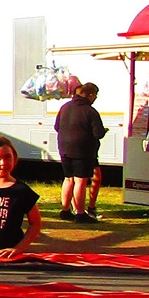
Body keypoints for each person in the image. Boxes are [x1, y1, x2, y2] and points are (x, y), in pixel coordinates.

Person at [54, 82, 106, 221]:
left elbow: (57, 126)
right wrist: (103, 131)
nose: (95, 98)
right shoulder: (90, 111)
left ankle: (65, 210)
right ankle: (80, 213)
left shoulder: (64, 107)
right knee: (81, 181)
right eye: (95, 95)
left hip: (64, 148)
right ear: (90, 95)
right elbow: (98, 133)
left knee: (68, 179)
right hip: (83, 150)